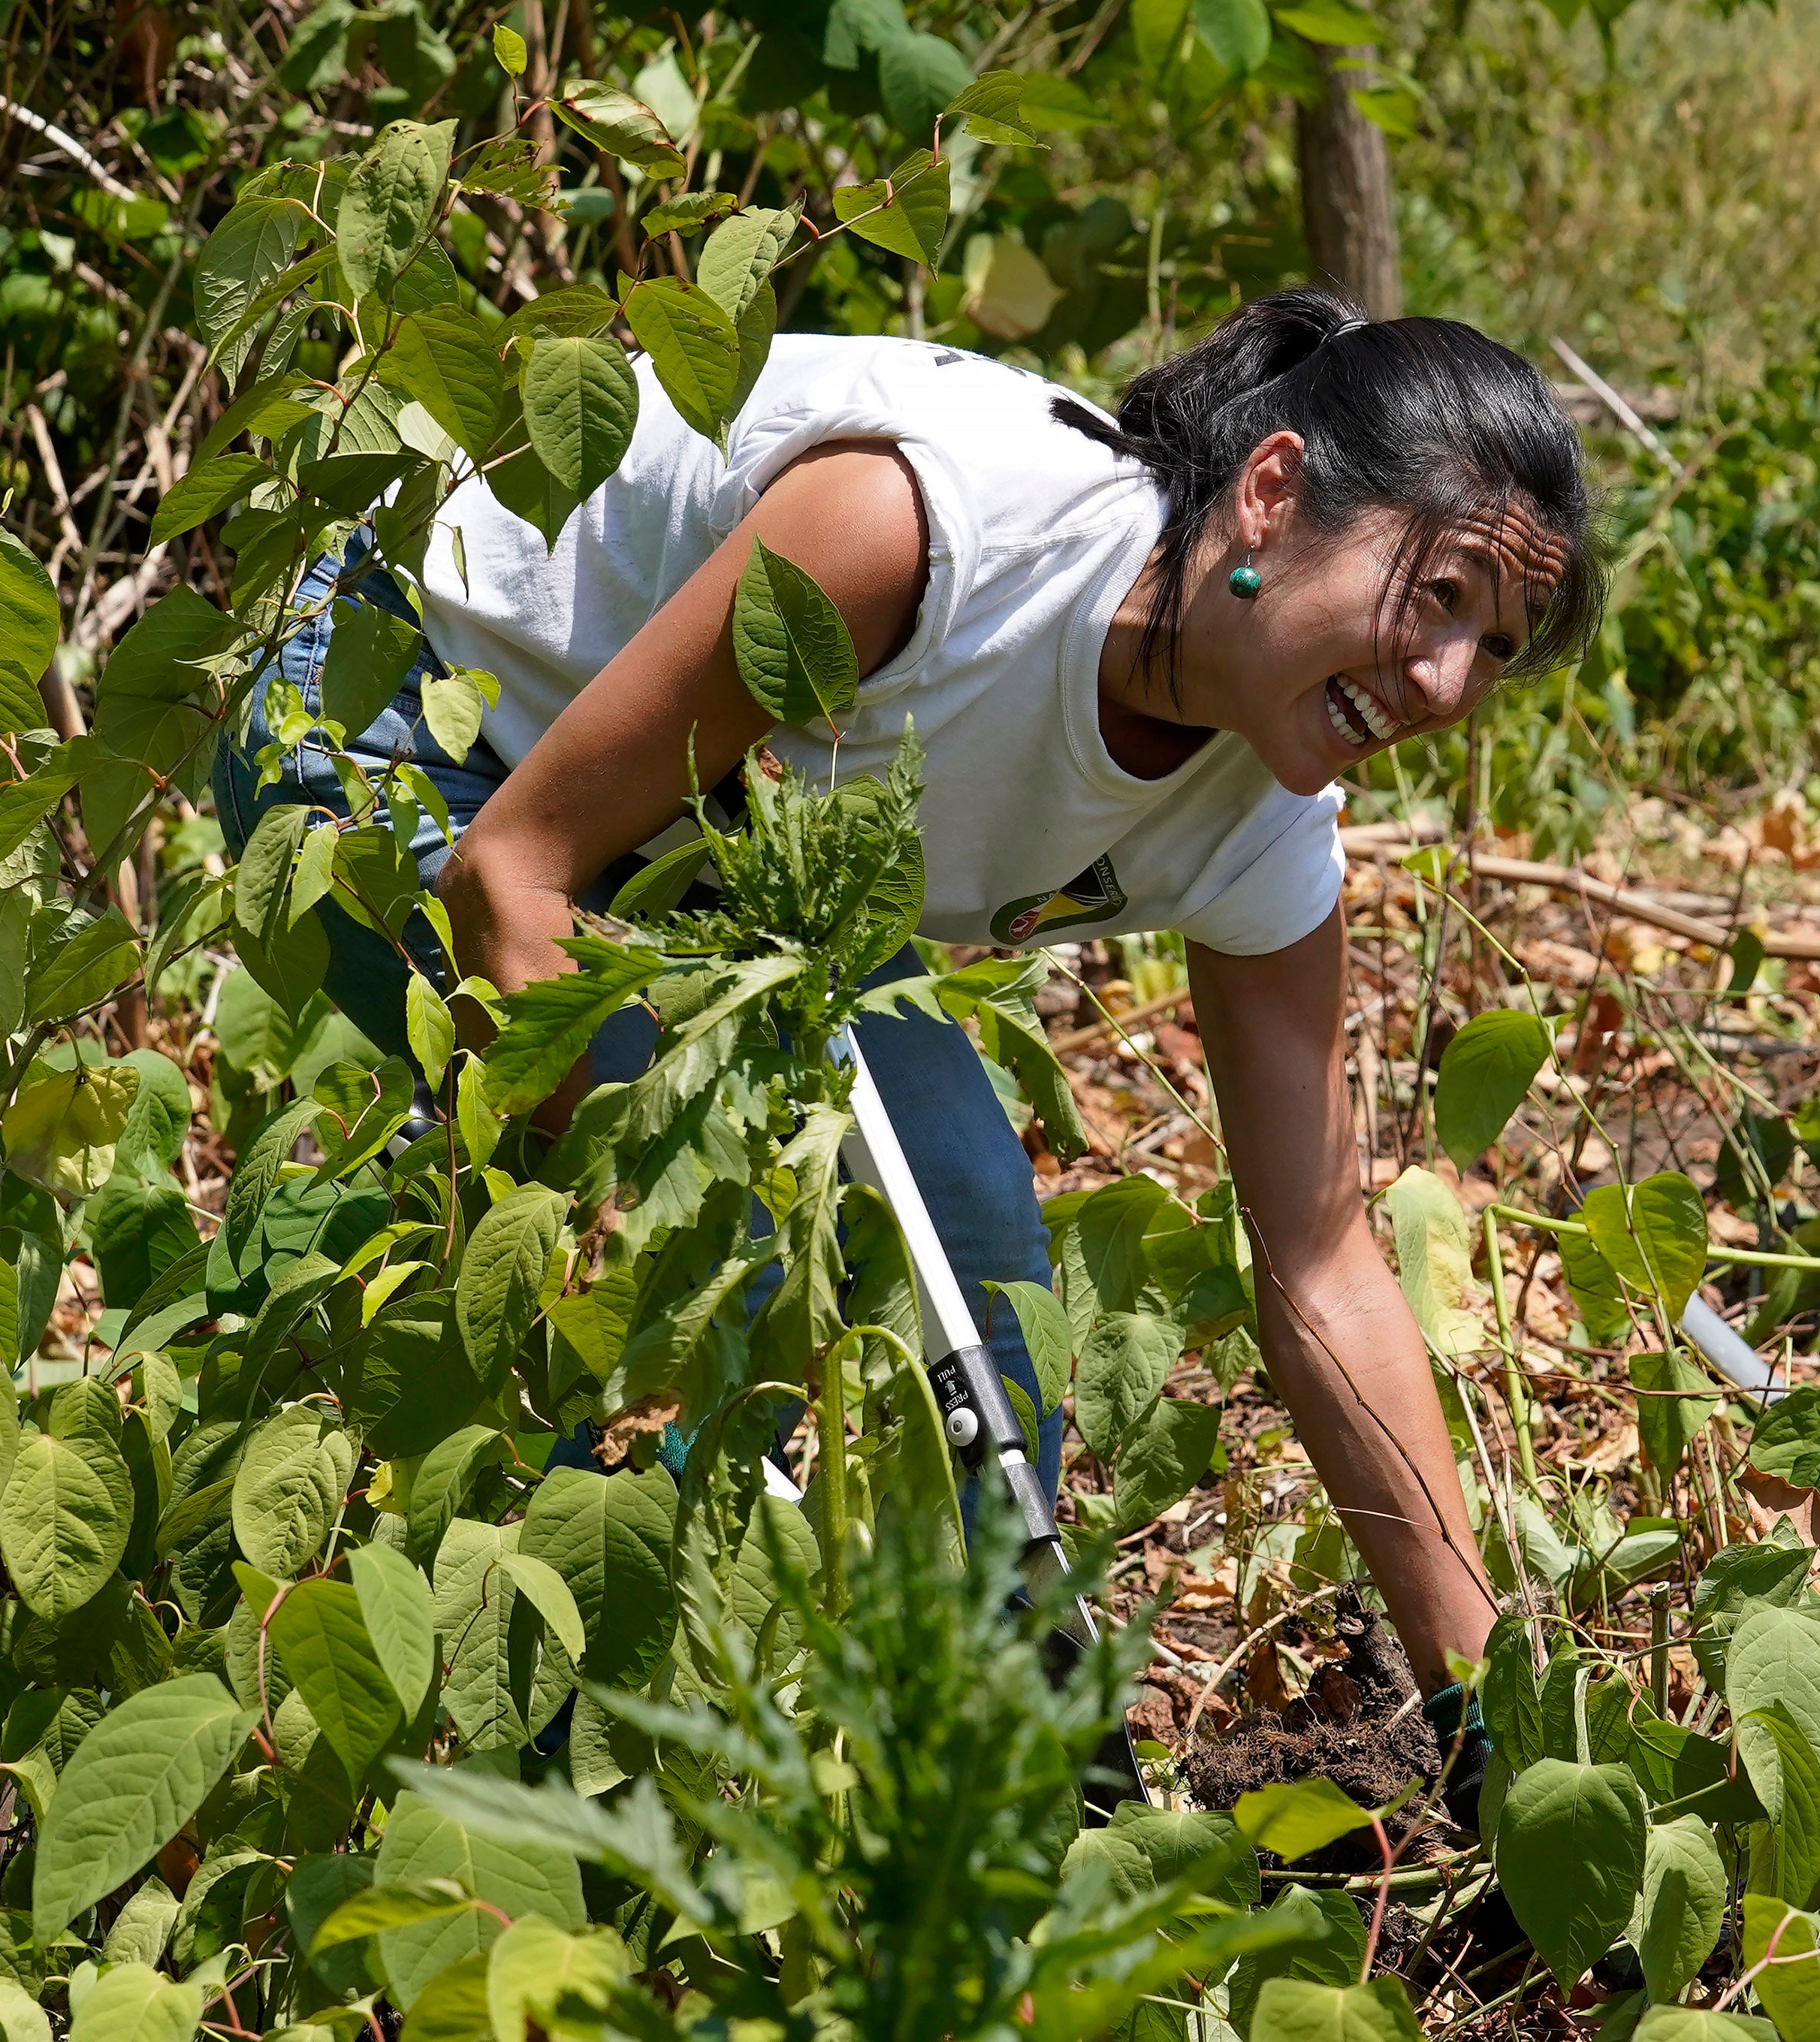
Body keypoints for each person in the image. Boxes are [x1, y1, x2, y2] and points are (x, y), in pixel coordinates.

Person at [214, 288, 1598, 1700]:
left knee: (980, 1245)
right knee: (699, 1290)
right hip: (415, 707)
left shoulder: (1262, 816)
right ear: (1273, 490)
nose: (1443, 683)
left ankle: (982, 1746)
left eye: (1493, 647)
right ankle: (595, 1761)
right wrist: (662, 1288)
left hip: (734, 817)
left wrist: (1489, 1701)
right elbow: (514, 875)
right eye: (1438, 598)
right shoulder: (927, 536)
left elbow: (1321, 1263)